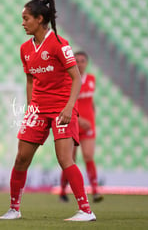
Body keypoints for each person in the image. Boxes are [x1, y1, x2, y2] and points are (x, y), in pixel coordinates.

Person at [0, 0, 96, 221]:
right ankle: (14, 209)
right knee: (21, 158)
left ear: (39, 19)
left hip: (62, 108)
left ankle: (86, 211)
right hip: (38, 109)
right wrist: (30, 106)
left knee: (64, 159)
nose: (22, 23)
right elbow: (30, 80)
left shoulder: (60, 44)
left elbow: (77, 78)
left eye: (26, 19)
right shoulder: (25, 49)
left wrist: (70, 107)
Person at [59, 51, 103, 203]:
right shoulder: (70, 79)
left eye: (83, 60)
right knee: (70, 158)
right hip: (74, 121)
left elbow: (90, 101)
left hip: (88, 124)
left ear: (87, 63)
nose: (79, 63)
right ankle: (63, 191)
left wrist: (92, 115)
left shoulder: (91, 79)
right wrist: (79, 118)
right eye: (76, 60)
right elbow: (66, 102)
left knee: (89, 156)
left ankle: (96, 191)